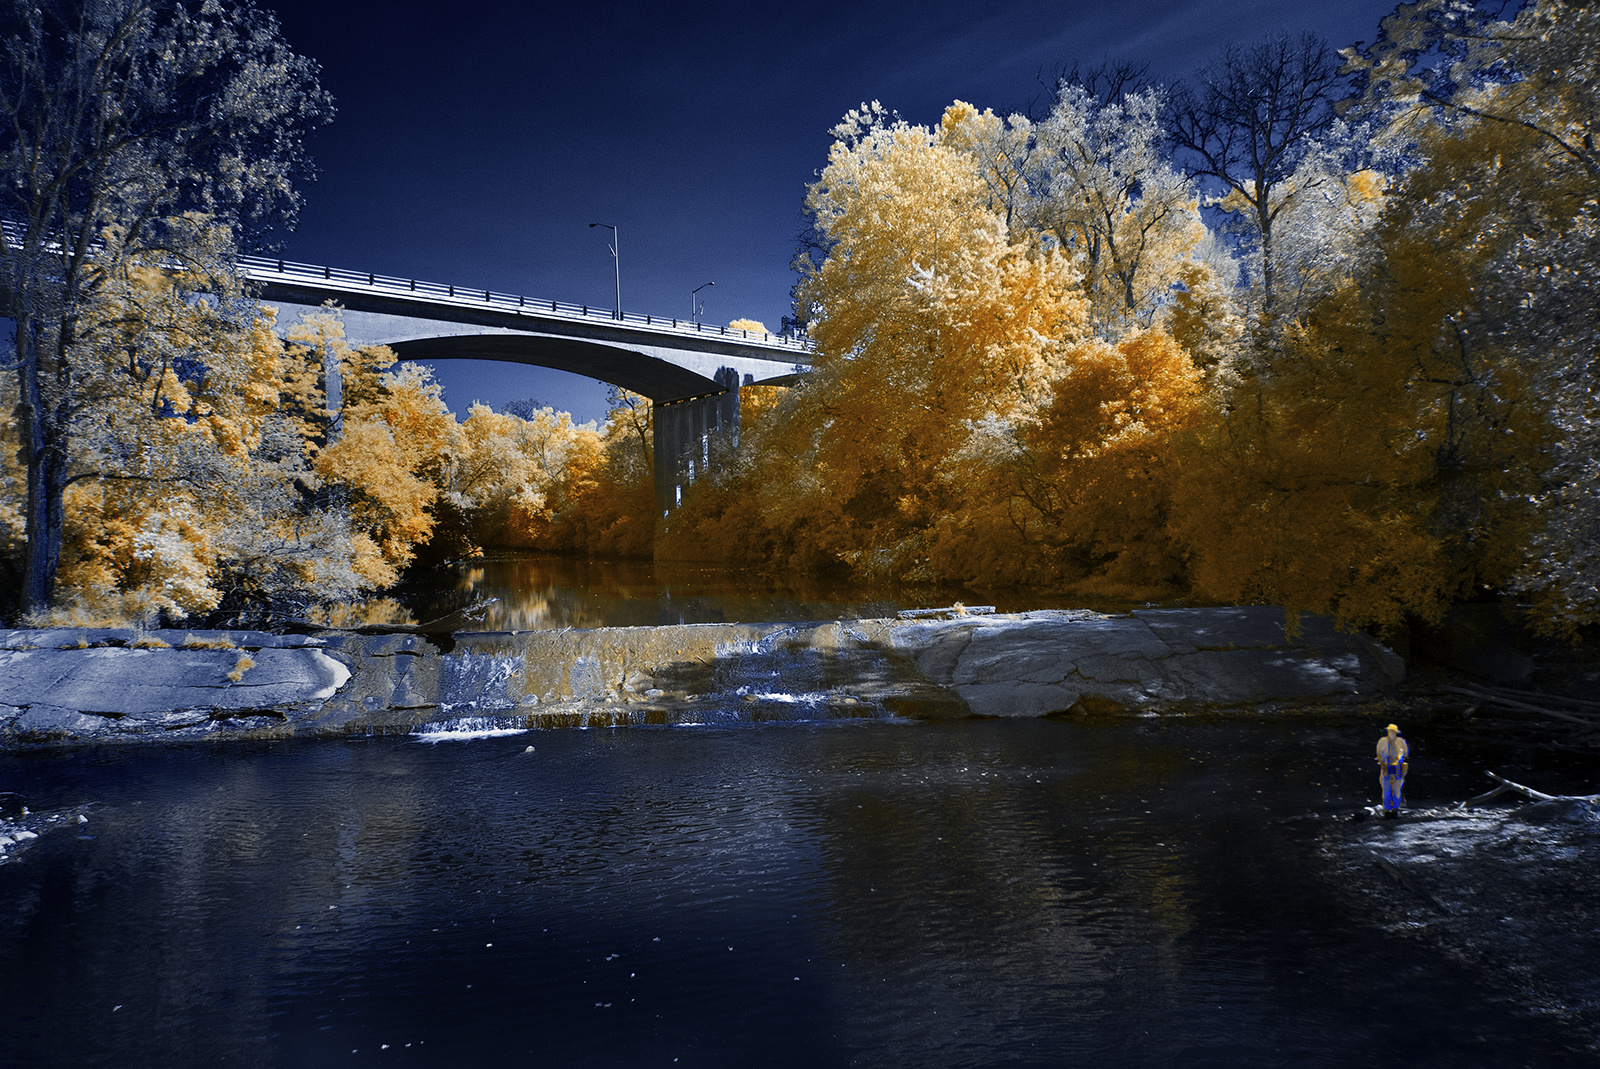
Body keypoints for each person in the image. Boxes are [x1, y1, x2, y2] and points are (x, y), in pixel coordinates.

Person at [1375, 724, 1409, 817]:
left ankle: (1394, 810)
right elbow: (1378, 754)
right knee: (1387, 788)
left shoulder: (1401, 742)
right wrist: (1383, 764)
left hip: (1397, 767)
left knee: (1396, 789)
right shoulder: (1382, 741)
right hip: (1386, 767)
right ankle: (1387, 810)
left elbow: (1405, 754)